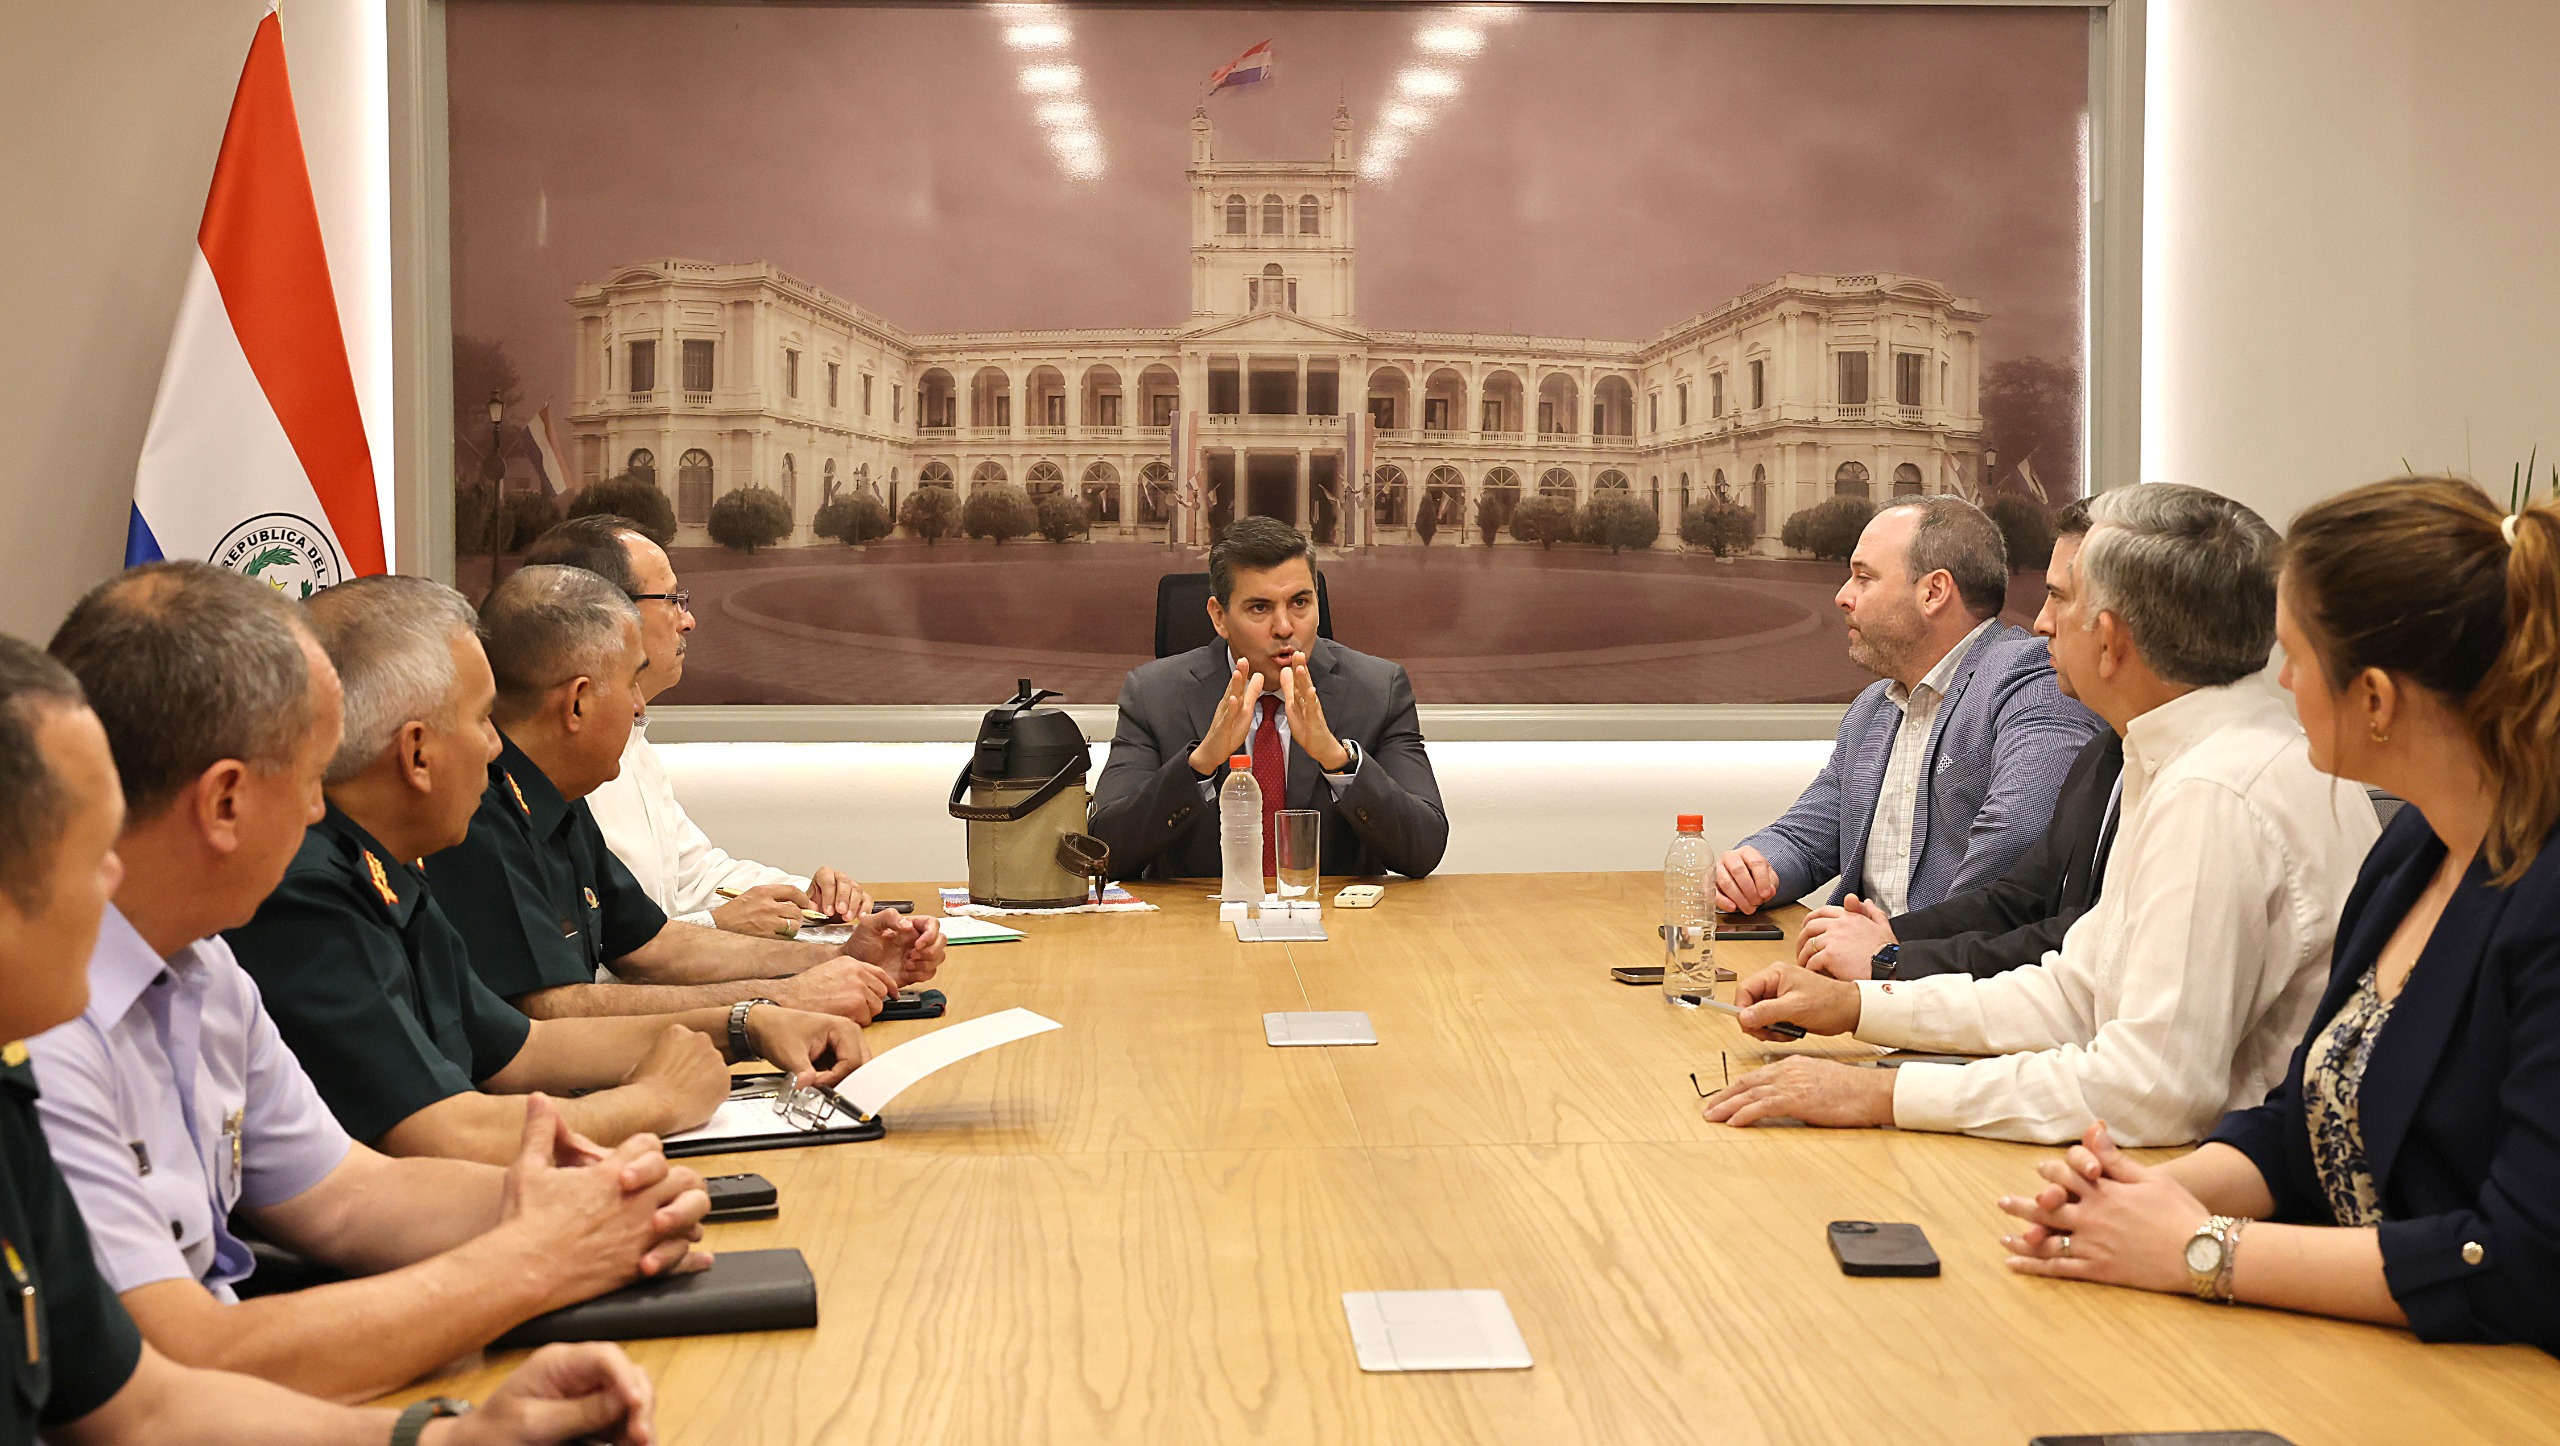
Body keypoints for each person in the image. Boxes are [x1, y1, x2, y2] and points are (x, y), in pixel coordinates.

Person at [25, 568, 696, 1413]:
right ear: (225, 800)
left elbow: (347, 1195)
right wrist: (534, 1259)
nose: (318, 814)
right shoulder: (43, 1022)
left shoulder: (203, 967)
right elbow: (171, 1374)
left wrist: (590, 1206)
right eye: (309, 776)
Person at [1997, 478, 2560, 1352]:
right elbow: (2310, 1124)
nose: (2280, 680)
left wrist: (2200, 1248)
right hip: (2372, 1350)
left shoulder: (2546, 901)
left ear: (2374, 698)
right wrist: (2145, 1196)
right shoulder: (2415, 849)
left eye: (2293, 657)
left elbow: (2518, 1260)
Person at [1707, 485, 2377, 1146]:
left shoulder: (2212, 791)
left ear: (2110, 641)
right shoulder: (2180, 757)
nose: (2040, 623)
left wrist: (1884, 1092)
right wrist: (1859, 1006)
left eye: (2059, 598)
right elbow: (2075, 990)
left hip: (2203, 1186)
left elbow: (2148, 1093)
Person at [226, 576, 867, 1166]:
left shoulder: (386, 868)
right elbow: (436, 1135)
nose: (496, 745)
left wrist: (748, 1022)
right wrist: (650, 1105)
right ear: (417, 754)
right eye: (481, 720)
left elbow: (518, 1047)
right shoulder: (306, 892)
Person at [427, 565, 942, 1021]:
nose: (638, 709)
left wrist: (839, 959)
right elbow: (549, 1011)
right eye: (632, 684)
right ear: (578, 703)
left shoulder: (557, 797)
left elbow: (651, 944)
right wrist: (774, 1003)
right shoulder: (476, 815)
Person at [1712, 495, 2103, 919]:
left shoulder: (2028, 678)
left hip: (1947, 974)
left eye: (1864, 577)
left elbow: (2017, 836)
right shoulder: (1873, 708)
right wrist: (1754, 868)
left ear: (1933, 592)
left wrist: (1898, 948)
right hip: (1865, 970)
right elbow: (1806, 839)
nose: (1843, 597)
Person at [1795, 503, 2126, 981]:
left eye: (2059, 596)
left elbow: (2055, 932)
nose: (2041, 622)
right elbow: (2022, 903)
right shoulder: (2111, 752)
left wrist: (1889, 958)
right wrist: (1750, 869)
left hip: (1947, 989)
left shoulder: (2028, 677)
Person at [523, 517, 869, 937]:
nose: (688, 621)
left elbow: (695, 877)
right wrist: (717, 926)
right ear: (606, 614)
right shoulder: (553, 772)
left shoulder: (633, 744)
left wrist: (806, 897)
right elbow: (591, 963)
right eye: (672, 600)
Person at [1089, 515, 1448, 880]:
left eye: (1300, 603)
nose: (1285, 627)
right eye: (1260, 608)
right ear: (1219, 616)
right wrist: (1200, 764)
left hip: (1336, 923)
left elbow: (1423, 850)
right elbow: (1105, 854)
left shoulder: (1377, 690)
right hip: (1196, 922)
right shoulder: (1154, 694)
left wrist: (1339, 761)